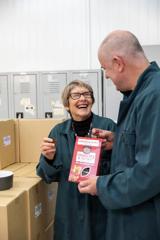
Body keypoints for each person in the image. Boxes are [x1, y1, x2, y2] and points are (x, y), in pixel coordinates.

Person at [78, 30, 160, 240]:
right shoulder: (143, 93)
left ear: (118, 63)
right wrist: (119, 141)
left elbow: (150, 173)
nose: (108, 78)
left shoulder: (154, 96)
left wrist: (102, 186)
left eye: (107, 71)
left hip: (145, 222)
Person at [36, 80, 116, 240]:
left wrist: (112, 149)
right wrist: (49, 159)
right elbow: (46, 175)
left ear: (92, 100)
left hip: (100, 204)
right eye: (76, 95)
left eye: (87, 94)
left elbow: (123, 164)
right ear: (67, 105)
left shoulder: (107, 126)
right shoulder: (58, 132)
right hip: (69, 206)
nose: (83, 99)